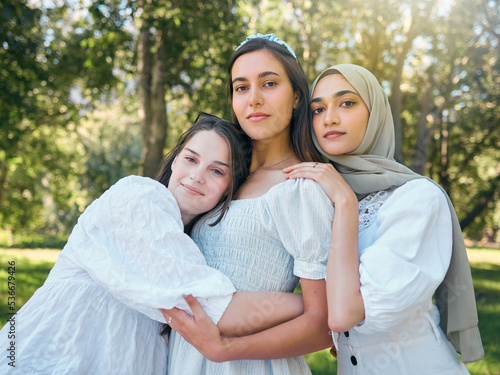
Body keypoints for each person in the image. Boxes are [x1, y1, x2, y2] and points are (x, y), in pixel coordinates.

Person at [0, 114, 306, 374]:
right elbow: (211, 309)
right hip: (54, 360)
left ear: (230, 186)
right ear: (173, 162)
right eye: (190, 159)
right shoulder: (139, 199)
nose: (196, 176)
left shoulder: (187, 242)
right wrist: (317, 309)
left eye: (216, 171)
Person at [283, 64, 484, 374]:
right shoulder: (322, 199)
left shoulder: (417, 198)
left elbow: (343, 314)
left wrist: (345, 202)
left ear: (374, 112)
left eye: (347, 103)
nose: (330, 118)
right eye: (318, 109)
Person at [163, 34, 333, 374]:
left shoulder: (300, 188)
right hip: (183, 359)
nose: (253, 99)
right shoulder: (220, 176)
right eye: (241, 88)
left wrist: (224, 350)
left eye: (269, 83)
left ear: (297, 96)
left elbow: (323, 324)